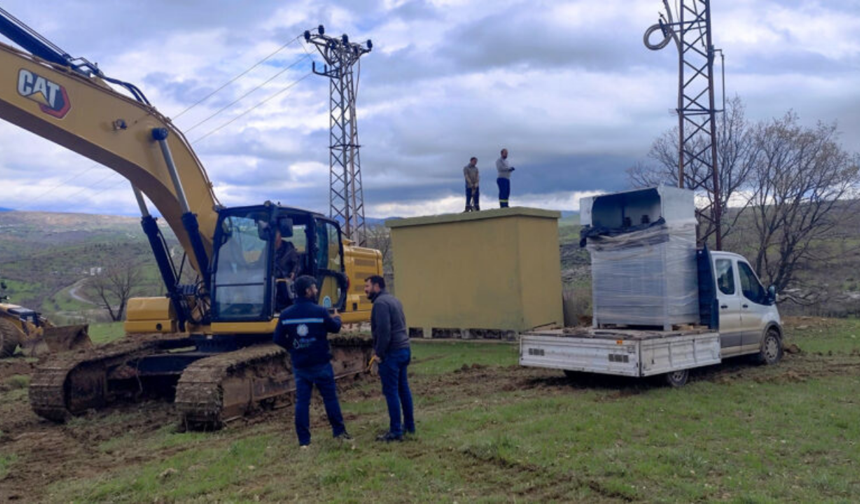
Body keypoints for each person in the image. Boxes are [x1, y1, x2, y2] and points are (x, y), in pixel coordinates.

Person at [273, 275, 351, 448]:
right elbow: (335, 328)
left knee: (302, 402)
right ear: (308, 291)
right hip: (321, 362)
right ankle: (339, 433)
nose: (316, 290)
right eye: (314, 288)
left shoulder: (286, 314)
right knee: (330, 399)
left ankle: (304, 441)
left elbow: (277, 338)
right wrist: (337, 318)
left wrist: (294, 347)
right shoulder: (320, 311)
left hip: (300, 364)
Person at [365, 275, 414, 442]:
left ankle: (395, 432)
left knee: (391, 391)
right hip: (404, 349)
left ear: (377, 286)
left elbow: (384, 331)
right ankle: (409, 426)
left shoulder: (380, 304)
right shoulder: (394, 300)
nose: (365, 289)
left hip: (392, 353)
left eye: (368, 286)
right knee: (403, 389)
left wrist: (379, 353)